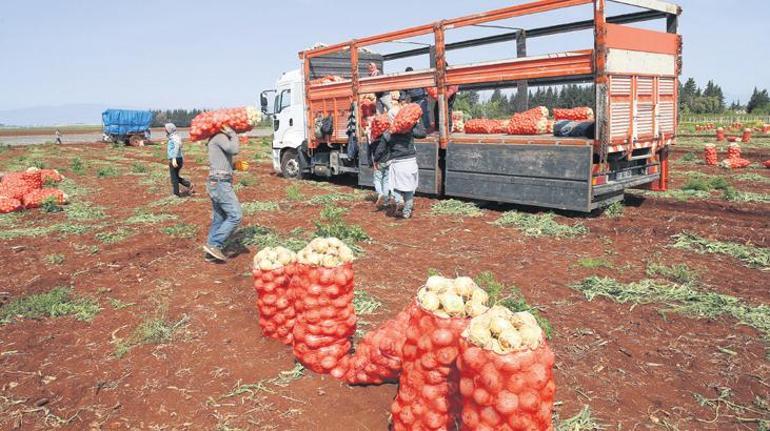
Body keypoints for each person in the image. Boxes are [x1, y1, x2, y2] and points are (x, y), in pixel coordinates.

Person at [203, 125, 243, 262]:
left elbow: (221, 159)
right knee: (236, 215)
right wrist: (232, 134)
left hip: (216, 181)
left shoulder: (215, 138)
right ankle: (214, 245)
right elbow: (234, 149)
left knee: (219, 219)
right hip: (220, 183)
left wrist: (233, 166)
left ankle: (210, 253)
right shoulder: (220, 136)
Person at [383, 121, 427, 219]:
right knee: (409, 189)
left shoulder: (390, 132)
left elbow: (384, 143)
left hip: (397, 163)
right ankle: (406, 212)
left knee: (395, 185)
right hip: (410, 162)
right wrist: (417, 123)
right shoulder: (409, 130)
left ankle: (399, 201)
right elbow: (422, 134)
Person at [166, 123, 193, 197]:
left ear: (169, 130)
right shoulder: (175, 136)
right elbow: (180, 145)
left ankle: (176, 194)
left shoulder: (174, 137)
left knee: (174, 178)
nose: (165, 130)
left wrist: (174, 158)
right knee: (175, 177)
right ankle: (189, 184)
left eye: (166, 129)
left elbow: (177, 146)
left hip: (175, 159)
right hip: (179, 159)